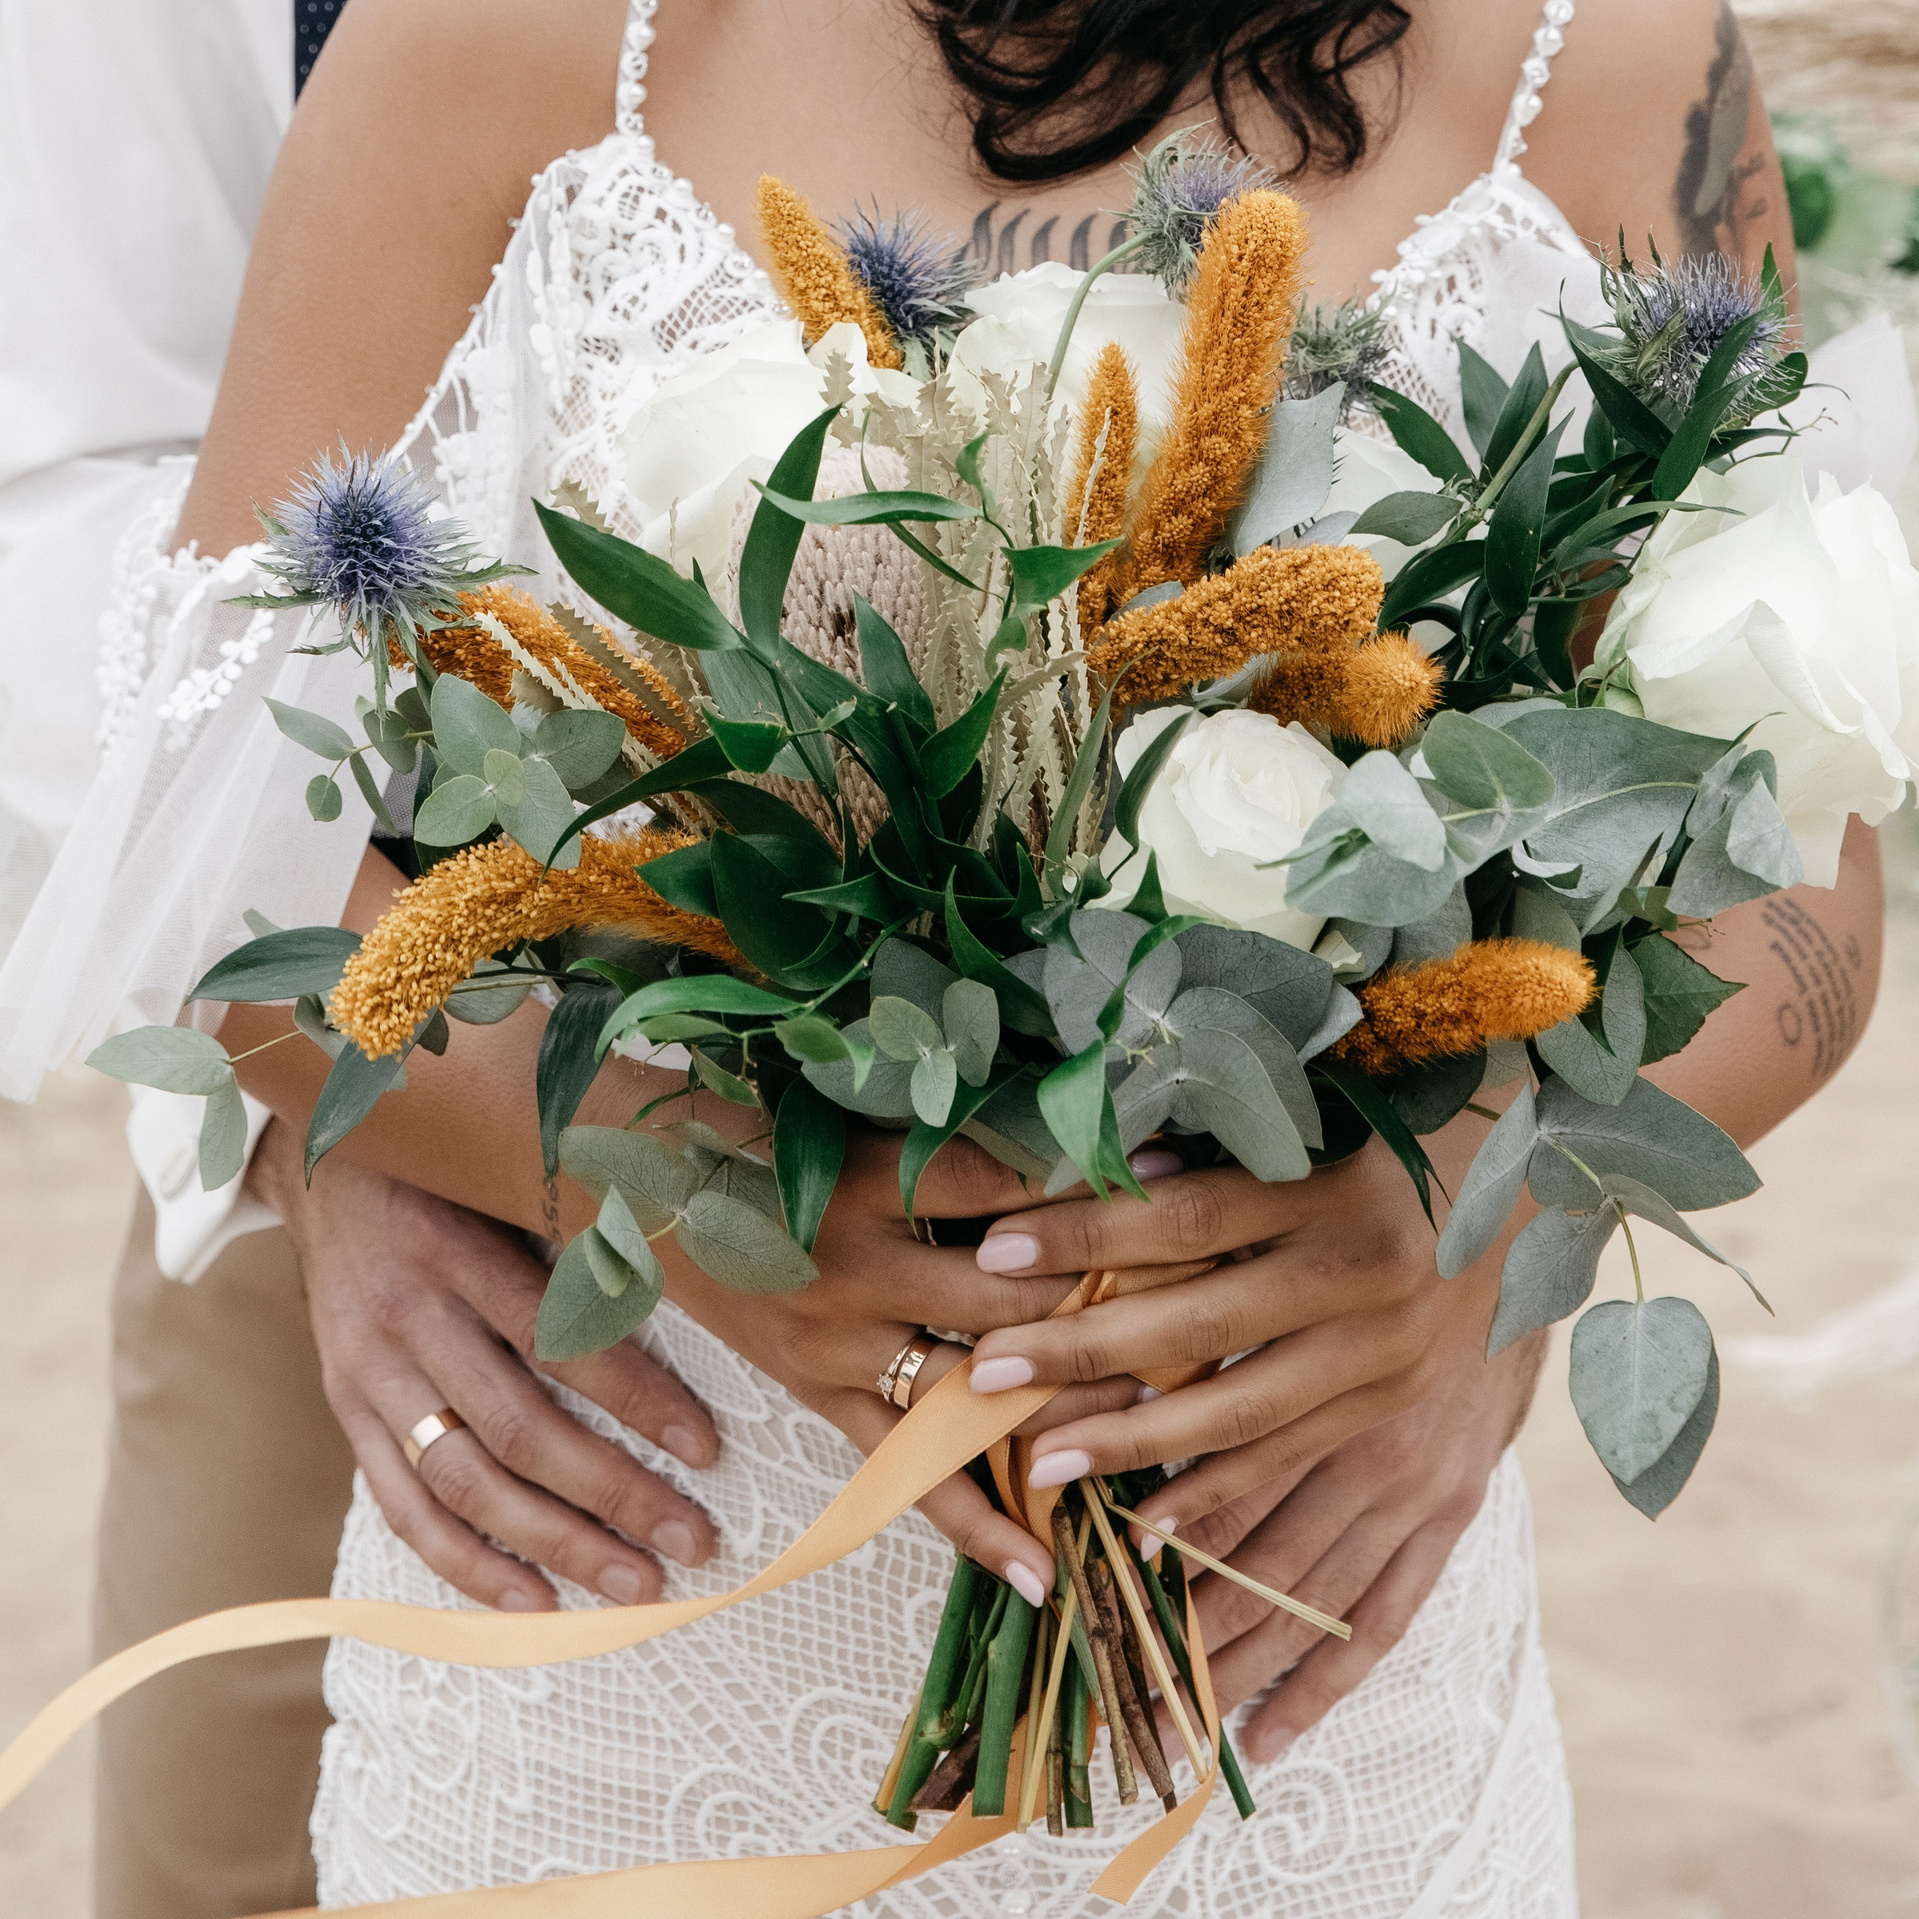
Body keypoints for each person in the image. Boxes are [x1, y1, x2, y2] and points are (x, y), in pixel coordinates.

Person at [0, 0, 1886, 1911]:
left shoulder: (1611, 57)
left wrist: (1475, 1221)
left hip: (1302, 1646)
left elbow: (1798, 869)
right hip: (634, 1595)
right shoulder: (495, 42)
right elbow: (203, 872)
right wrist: (673, 1176)